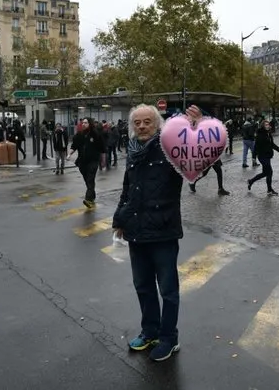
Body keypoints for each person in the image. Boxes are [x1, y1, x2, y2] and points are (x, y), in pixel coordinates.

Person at [113, 103, 202, 362]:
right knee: (143, 286)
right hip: (136, 230)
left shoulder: (170, 148)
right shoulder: (133, 151)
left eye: (147, 122)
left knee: (168, 290)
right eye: (137, 122)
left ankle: (168, 338)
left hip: (163, 230)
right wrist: (119, 219)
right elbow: (128, 190)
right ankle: (149, 331)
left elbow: (197, 165)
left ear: (157, 124)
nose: (141, 126)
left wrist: (195, 129)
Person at [68, 118, 104, 208]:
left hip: (93, 161)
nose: (83, 124)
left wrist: (103, 160)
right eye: (82, 123)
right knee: (87, 181)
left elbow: (102, 148)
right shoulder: (79, 135)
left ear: (90, 124)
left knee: (90, 179)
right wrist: (69, 154)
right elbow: (74, 146)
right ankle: (92, 196)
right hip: (82, 162)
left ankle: (88, 199)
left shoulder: (95, 134)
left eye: (86, 123)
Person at [247, 119, 279, 195]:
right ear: (263, 126)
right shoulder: (260, 134)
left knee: (265, 173)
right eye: (266, 125)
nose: (268, 126)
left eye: (268, 124)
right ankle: (269, 190)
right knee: (269, 172)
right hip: (262, 156)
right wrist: (253, 157)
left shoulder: (268, 134)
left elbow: (272, 144)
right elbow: (256, 146)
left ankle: (251, 181)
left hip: (267, 155)